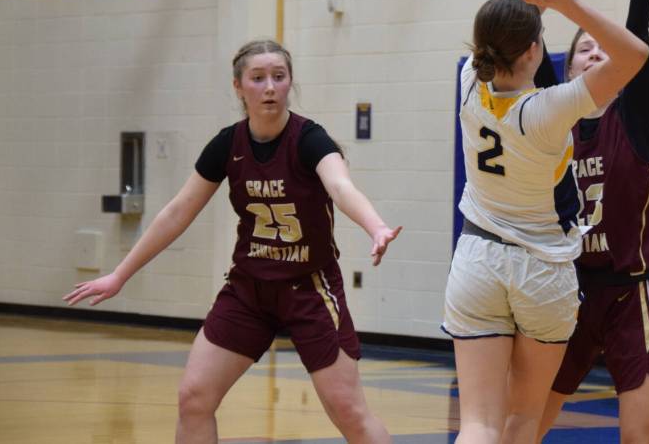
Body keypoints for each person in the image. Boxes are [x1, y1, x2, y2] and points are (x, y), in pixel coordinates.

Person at [64, 39, 402, 444]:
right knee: (194, 398)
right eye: (258, 78)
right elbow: (177, 212)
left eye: (279, 76)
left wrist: (375, 226)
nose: (270, 87)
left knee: (349, 411)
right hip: (249, 291)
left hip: (308, 290)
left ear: (290, 81)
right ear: (238, 86)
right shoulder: (228, 144)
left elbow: (341, 187)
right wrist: (120, 274)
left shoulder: (310, 139)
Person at [444, 0, 649, 444]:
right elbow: (635, 55)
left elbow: (500, 32)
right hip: (542, 269)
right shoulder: (551, 108)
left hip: (476, 259)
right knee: (523, 419)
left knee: (478, 424)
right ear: (536, 50)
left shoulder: (468, 82)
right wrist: (565, 1)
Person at [535, 0, 649, 444]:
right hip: (564, 291)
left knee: (638, 436)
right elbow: (528, 42)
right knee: (526, 426)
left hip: (630, 293)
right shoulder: (550, 116)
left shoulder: (634, 117)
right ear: (568, 69)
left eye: (604, 49)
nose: (597, 53)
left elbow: (636, 38)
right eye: (584, 50)